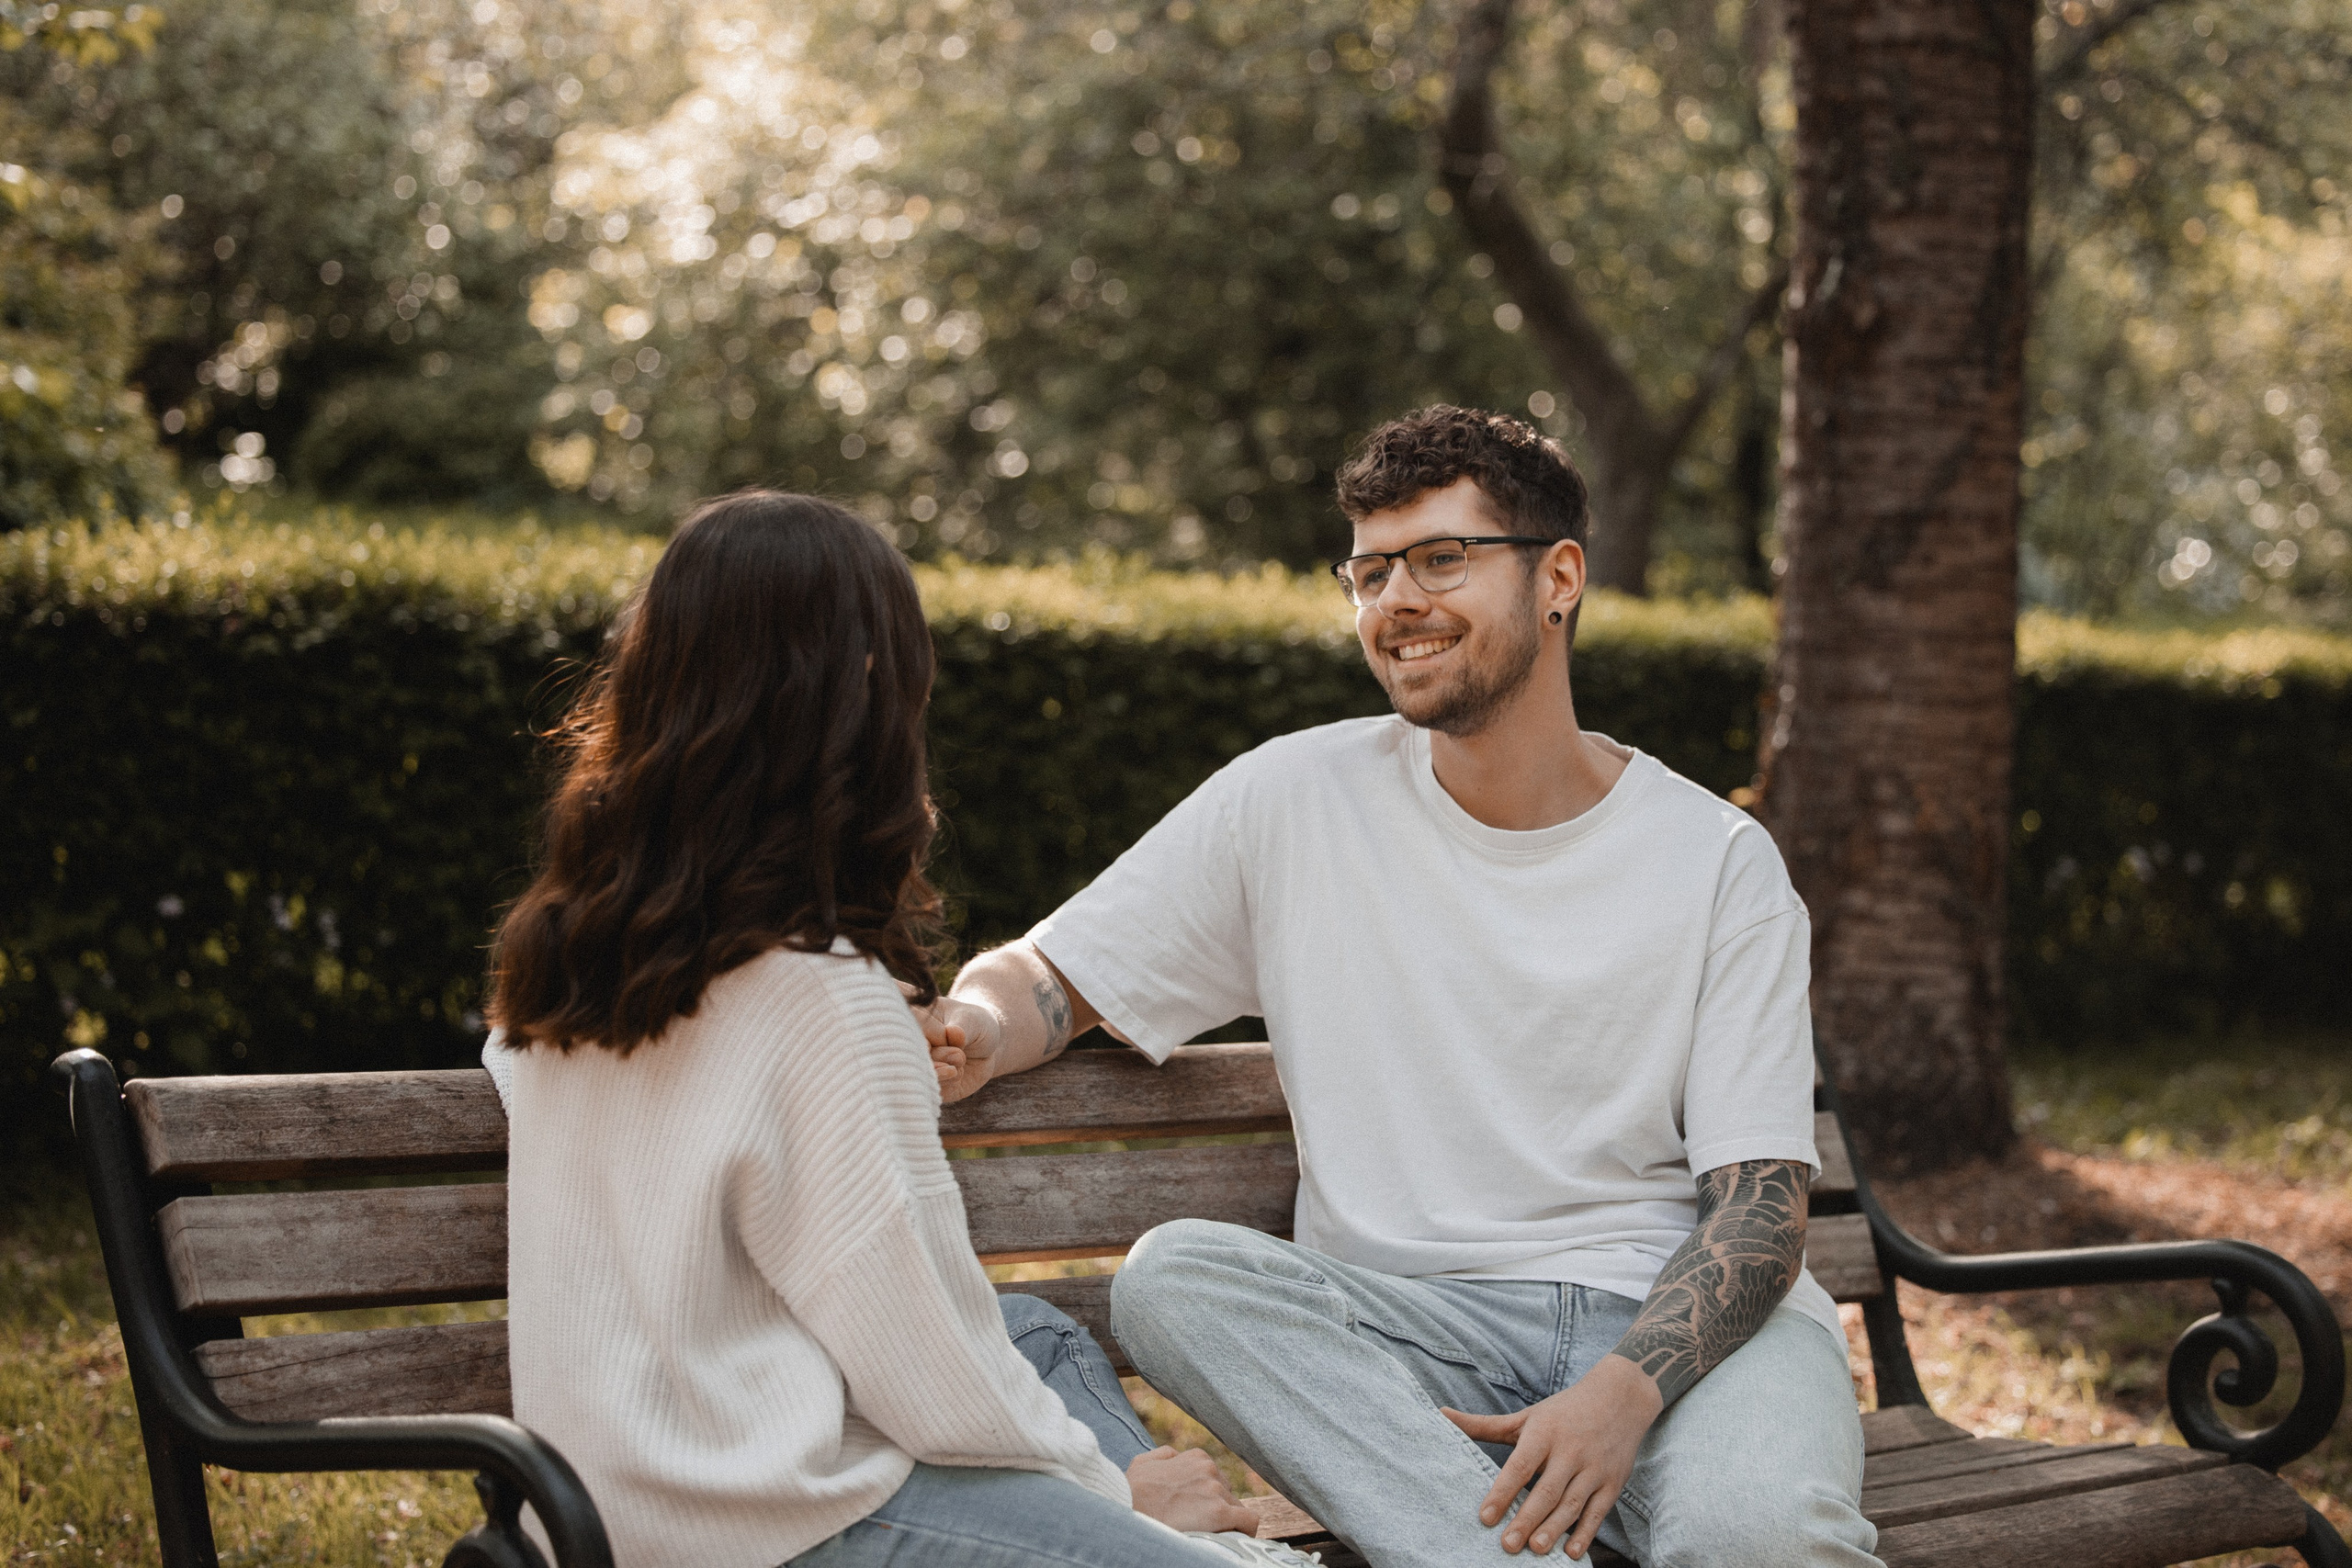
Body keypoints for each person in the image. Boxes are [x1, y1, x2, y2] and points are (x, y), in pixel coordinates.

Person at [921, 409, 1885, 1568]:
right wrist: (978, 1023)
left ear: (1559, 579)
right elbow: (1056, 979)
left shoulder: (1716, 861)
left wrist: (1621, 1395)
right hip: (1411, 1338)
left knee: (1761, 1541)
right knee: (1178, 1273)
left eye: (1441, 559)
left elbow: (1760, 1208)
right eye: (1370, 572)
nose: (1395, 603)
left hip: (1674, 1330)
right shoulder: (1291, 801)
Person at [478, 491, 1319, 1568]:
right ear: (864, 702)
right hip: (771, 1528)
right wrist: (1117, 1494)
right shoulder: (820, 999)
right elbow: (926, 1371)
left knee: (1040, 1338)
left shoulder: (563, 979)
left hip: (595, 1506)